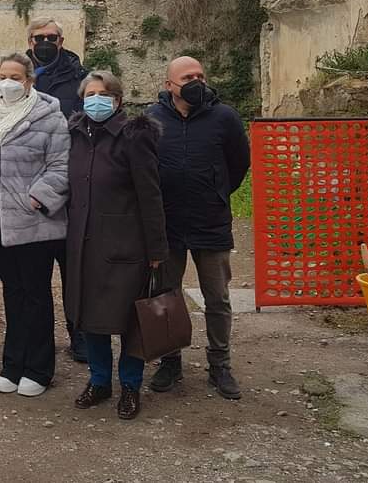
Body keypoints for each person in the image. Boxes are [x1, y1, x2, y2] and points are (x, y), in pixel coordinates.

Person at [146, 56, 251, 400]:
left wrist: (217, 191)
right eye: (187, 77)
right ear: (169, 86)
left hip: (211, 223)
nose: (197, 82)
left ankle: (220, 364)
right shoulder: (152, 118)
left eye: (200, 76)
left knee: (217, 298)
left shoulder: (224, 117)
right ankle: (170, 361)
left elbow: (239, 163)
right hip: (168, 225)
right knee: (165, 296)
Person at [65, 71, 167, 419]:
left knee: (129, 318)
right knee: (91, 317)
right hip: (84, 245)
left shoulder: (134, 136)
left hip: (126, 245)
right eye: (89, 94)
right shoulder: (76, 134)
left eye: (103, 94)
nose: (95, 100)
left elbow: (150, 195)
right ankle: (99, 381)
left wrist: (156, 250)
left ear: (118, 100)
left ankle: (130, 385)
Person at [0, 53, 69, 397]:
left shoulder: (50, 117)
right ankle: (13, 363)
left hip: (34, 221)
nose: (8, 82)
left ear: (30, 80)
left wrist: (37, 198)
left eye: (15, 76)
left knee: (36, 294)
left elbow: (61, 165)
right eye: (3, 75)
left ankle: (39, 368)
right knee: (12, 292)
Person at [26, 18, 88, 363]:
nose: (46, 42)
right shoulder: (19, 77)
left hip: (72, 189)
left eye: (52, 37)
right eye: (39, 38)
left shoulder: (80, 79)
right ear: (30, 41)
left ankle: (80, 335)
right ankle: (39, 342)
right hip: (32, 191)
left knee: (74, 269)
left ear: (62, 41)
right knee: (34, 275)